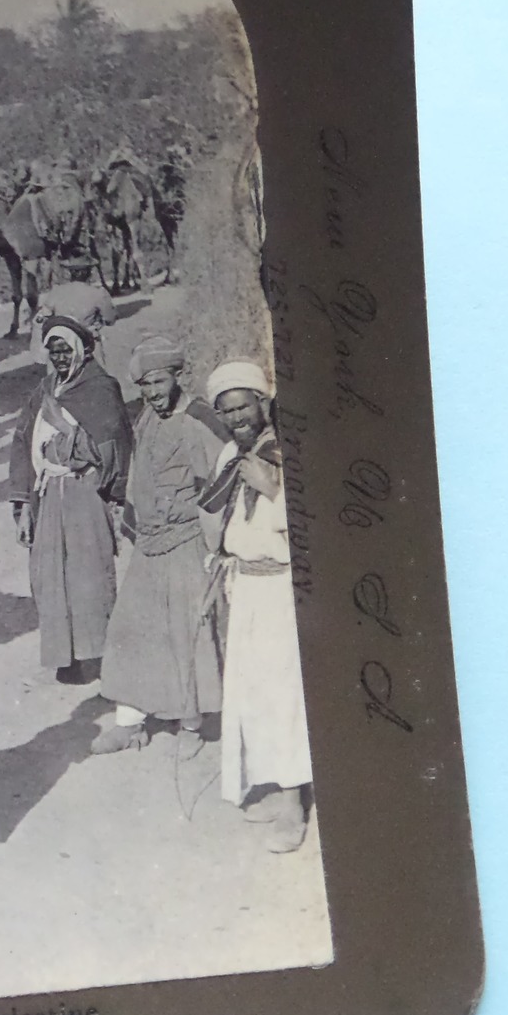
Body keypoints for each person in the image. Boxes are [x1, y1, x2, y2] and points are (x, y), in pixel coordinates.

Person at [92, 338, 228, 755]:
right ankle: (130, 722)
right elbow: (139, 478)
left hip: (188, 542)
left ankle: (191, 724)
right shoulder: (147, 419)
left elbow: (222, 483)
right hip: (151, 544)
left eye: (157, 381)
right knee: (130, 627)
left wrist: (214, 544)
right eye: (144, 384)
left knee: (187, 632)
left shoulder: (201, 419)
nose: (151, 391)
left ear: (176, 375)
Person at [201, 360, 314, 853]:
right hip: (244, 585)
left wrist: (275, 490)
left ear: (262, 403)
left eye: (243, 407)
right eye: (226, 411)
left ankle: (294, 806)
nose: (236, 418)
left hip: (280, 589)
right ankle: (273, 783)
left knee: (284, 693)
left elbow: (313, 523)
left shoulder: (288, 452)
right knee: (251, 692)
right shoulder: (231, 452)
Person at [9, 317, 133, 684]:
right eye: (53, 351)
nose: (59, 357)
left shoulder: (101, 389)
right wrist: (23, 507)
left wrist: (65, 431)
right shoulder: (44, 389)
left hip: (84, 492)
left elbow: (112, 448)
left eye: (66, 350)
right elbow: (22, 442)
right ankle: (67, 656)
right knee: (50, 576)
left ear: (82, 352)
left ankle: (99, 654)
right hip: (49, 496)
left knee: (87, 574)